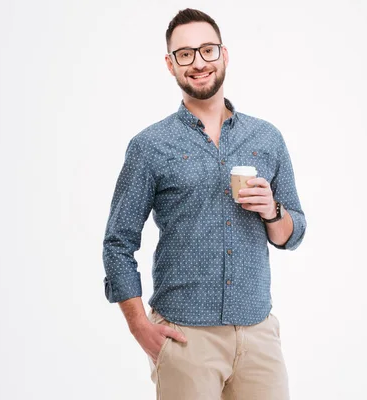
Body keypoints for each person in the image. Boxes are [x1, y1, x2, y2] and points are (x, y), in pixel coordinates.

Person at [102, 8, 306, 400]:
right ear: (170, 64)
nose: (198, 62)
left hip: (258, 334)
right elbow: (118, 242)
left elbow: (292, 233)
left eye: (207, 50)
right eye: (185, 54)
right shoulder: (149, 146)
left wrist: (272, 210)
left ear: (224, 55)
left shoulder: (266, 137)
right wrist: (140, 326)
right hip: (184, 338)